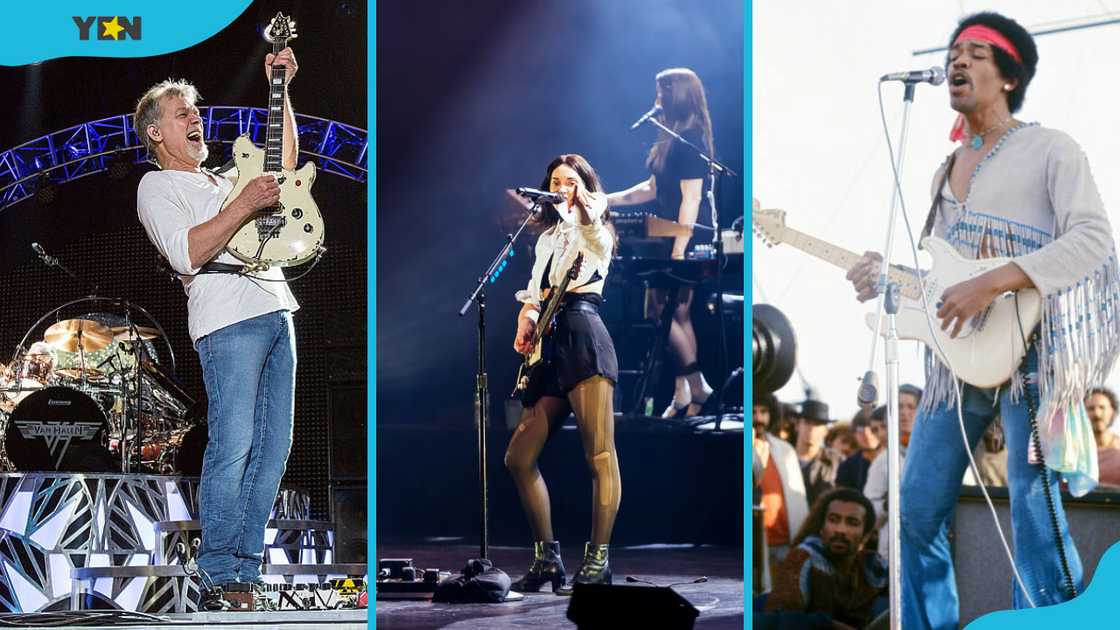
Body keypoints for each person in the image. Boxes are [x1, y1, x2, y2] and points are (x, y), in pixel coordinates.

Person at [846, 11, 1119, 627]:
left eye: (975, 53)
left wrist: (997, 278)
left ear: (1009, 74)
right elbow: (943, 285)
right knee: (915, 507)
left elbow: (1095, 239)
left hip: (1034, 349)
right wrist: (884, 281)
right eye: (953, 54)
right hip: (956, 360)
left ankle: (1047, 622)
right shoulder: (943, 173)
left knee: (1031, 501)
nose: (956, 62)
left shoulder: (1051, 147)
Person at [134, 47, 301, 610]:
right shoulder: (158, 187)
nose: (196, 118)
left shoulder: (222, 176)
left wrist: (281, 87)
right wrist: (243, 205)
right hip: (227, 318)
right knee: (234, 444)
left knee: (275, 446)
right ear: (156, 132)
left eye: (196, 110)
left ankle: (246, 573)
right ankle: (216, 570)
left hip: (278, 305)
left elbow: (283, 169)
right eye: (182, 113)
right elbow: (187, 253)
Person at [505, 154, 620, 595]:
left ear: (584, 187)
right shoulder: (547, 238)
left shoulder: (598, 230)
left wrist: (588, 207)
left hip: (585, 336)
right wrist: (526, 317)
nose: (561, 188)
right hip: (550, 345)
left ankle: (598, 562)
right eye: (555, 181)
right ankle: (548, 560)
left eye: (570, 181)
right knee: (518, 457)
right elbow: (536, 292)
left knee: (599, 455)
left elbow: (592, 228)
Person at [607, 68, 715, 418]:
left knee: (664, 311)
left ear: (676, 94)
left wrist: (680, 247)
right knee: (674, 313)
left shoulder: (692, 139)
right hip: (665, 233)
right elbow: (651, 189)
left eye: (661, 92)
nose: (656, 99)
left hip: (685, 233)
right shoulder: (669, 137)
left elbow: (692, 198)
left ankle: (696, 384)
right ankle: (685, 393)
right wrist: (608, 199)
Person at [762, 488, 888, 630]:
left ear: (865, 535)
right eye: (833, 520)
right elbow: (779, 619)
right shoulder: (804, 558)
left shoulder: (872, 566)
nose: (841, 529)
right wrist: (827, 625)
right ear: (822, 528)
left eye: (852, 522)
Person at [752, 392, 810, 585]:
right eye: (753, 412)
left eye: (763, 412)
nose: (758, 418)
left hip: (787, 542)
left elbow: (799, 500)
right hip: (756, 545)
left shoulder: (785, 450)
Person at [862, 385, 920, 561]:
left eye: (911, 407)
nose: (904, 413)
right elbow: (868, 512)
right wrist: (888, 505)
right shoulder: (882, 462)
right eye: (899, 406)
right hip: (894, 552)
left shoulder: (939, 454)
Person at [793, 400, 841, 507]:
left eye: (818, 424)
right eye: (807, 422)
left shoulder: (836, 461)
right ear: (797, 425)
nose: (811, 428)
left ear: (826, 431)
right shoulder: (781, 457)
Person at [836, 410, 884, 491]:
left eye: (872, 429)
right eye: (860, 430)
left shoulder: (894, 460)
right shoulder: (847, 467)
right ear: (854, 434)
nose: (866, 434)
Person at [1086, 387, 1120, 487]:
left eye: (1102, 407)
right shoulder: (1072, 452)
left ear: (1113, 412)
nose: (1097, 414)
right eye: (1090, 408)